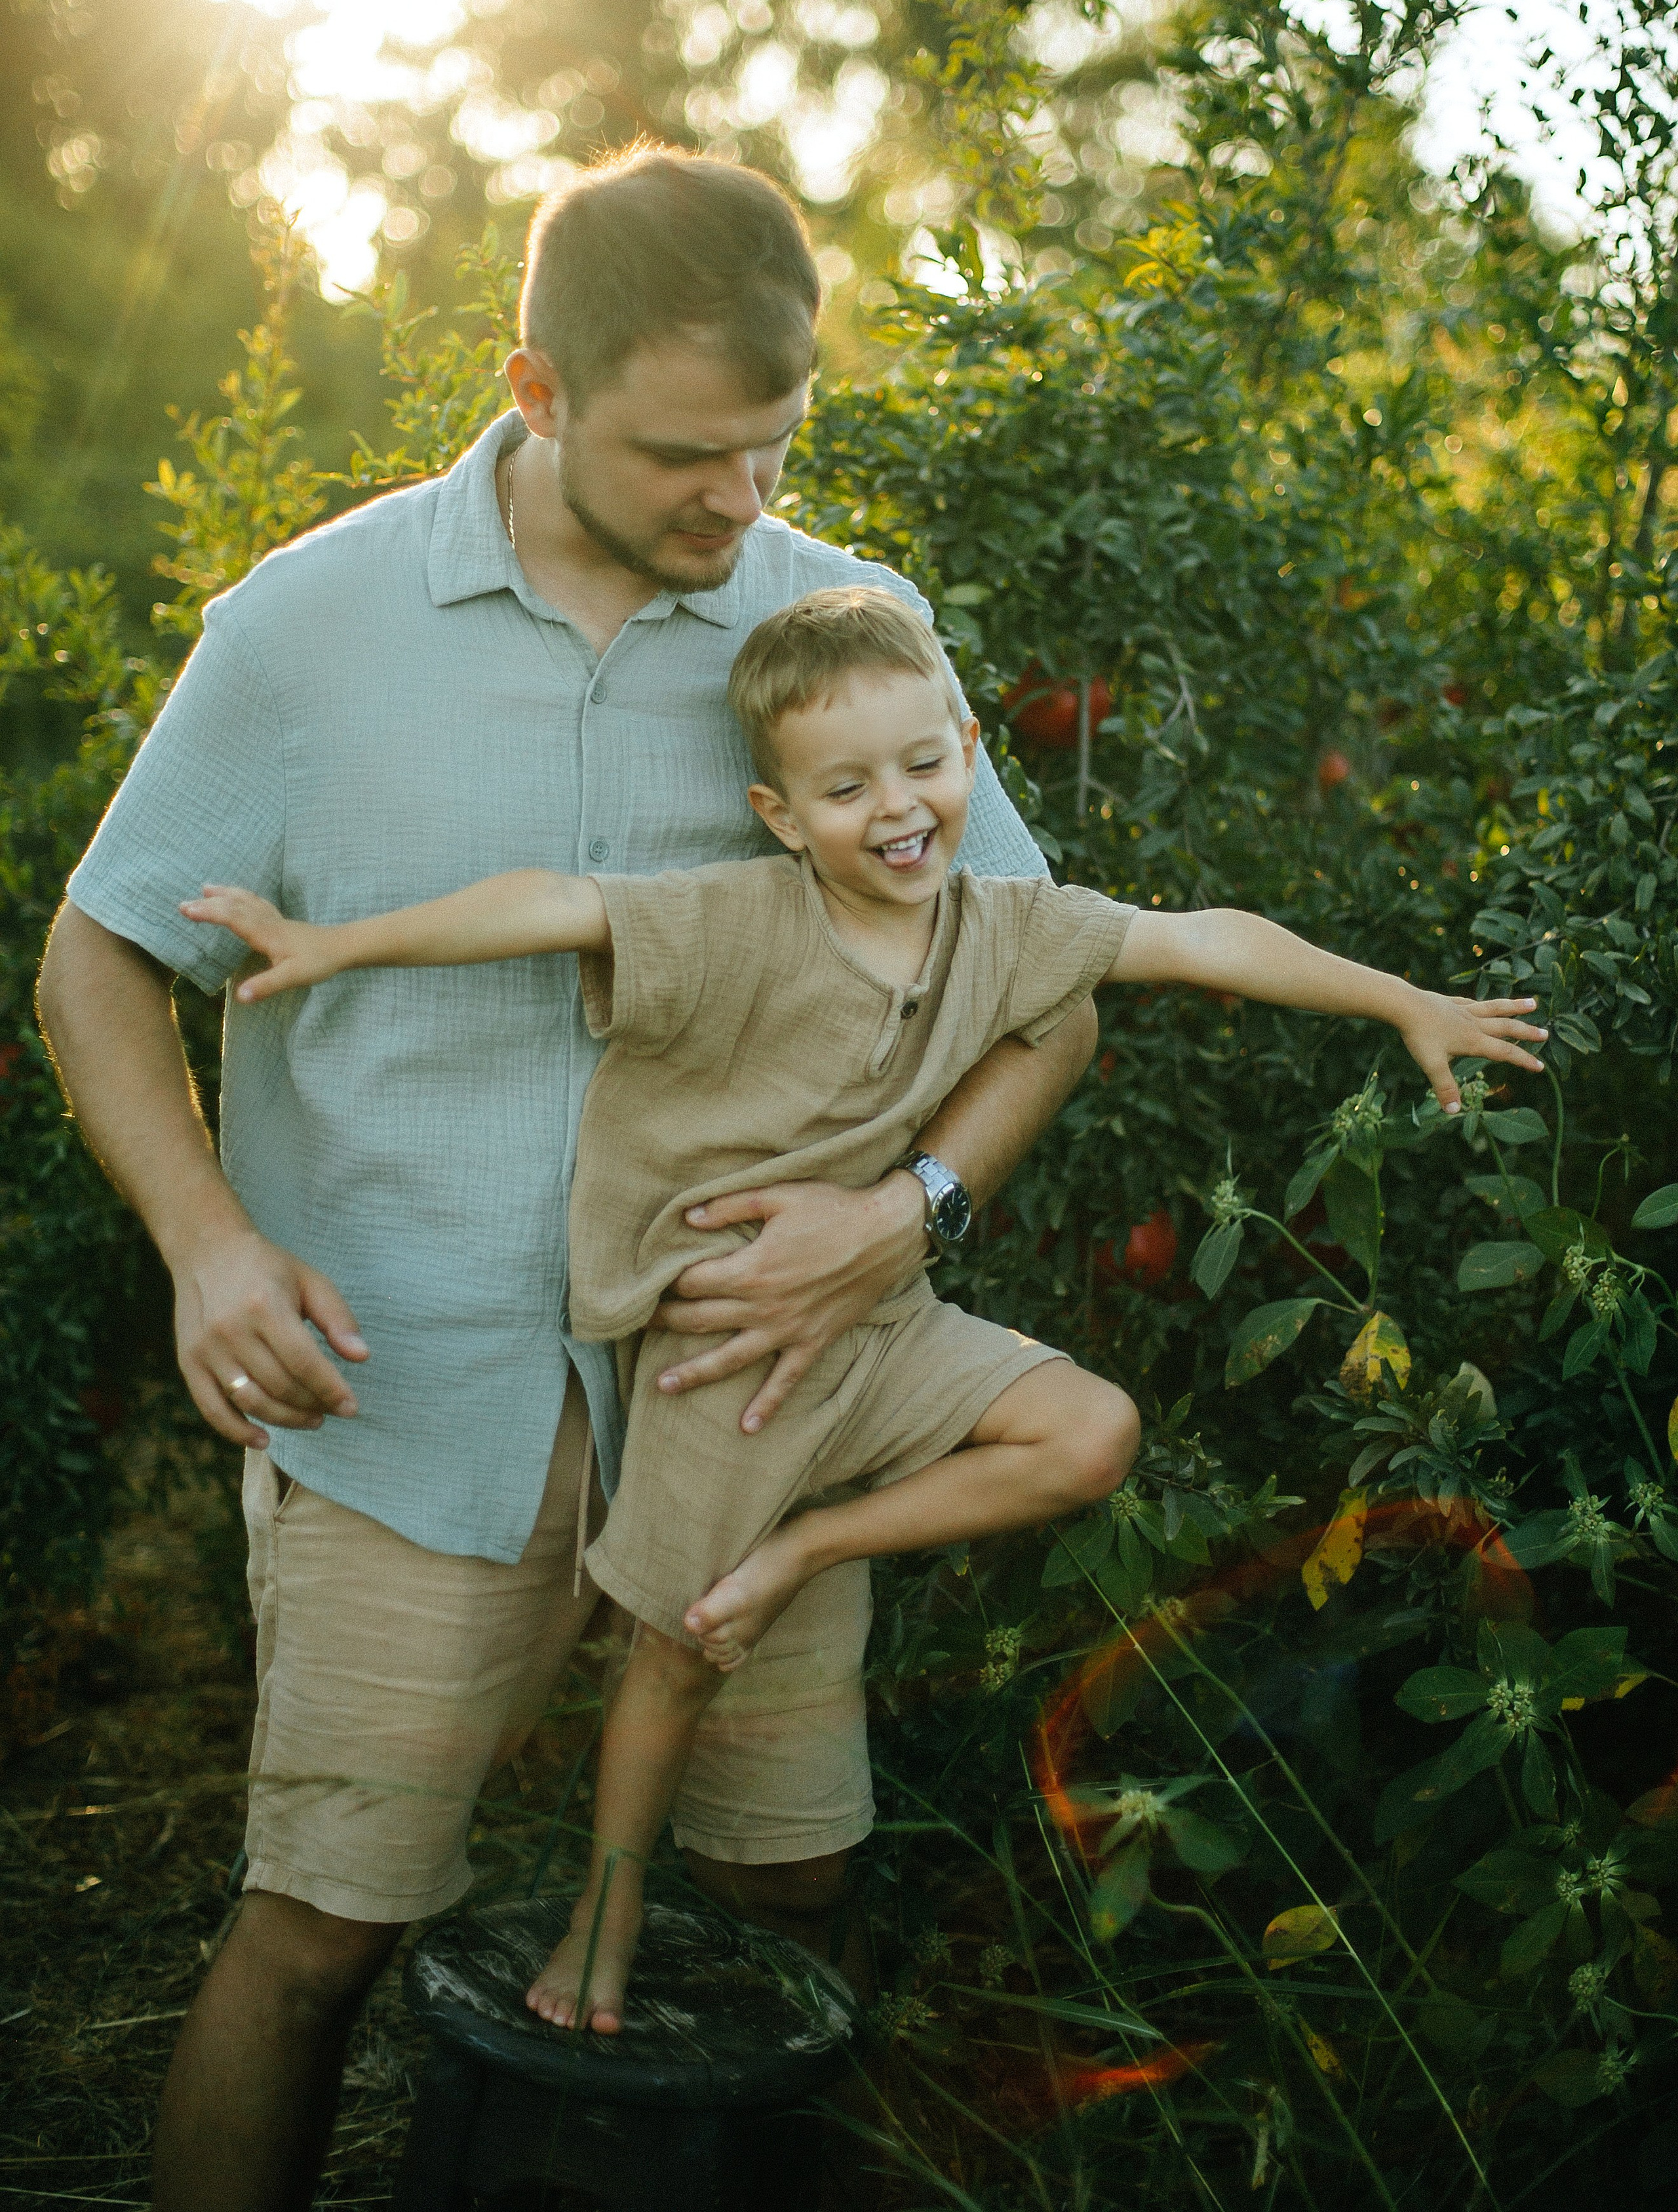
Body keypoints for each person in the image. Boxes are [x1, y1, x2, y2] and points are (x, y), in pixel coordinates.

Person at [32, 150, 1097, 2212]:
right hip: (407, 1395)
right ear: (537, 390)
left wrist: (905, 1219)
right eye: (686, 454)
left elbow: (1042, 990)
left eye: (778, 443)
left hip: (759, 1396)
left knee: (790, 1908)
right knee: (316, 1936)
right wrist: (209, 1243)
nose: (740, 500)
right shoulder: (309, 629)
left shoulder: (840, 626)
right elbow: (98, 955)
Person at [181, 582, 1548, 2035]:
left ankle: (807, 1546)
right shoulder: (742, 923)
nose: (896, 809)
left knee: (1091, 1433)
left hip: (882, 1320)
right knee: (679, 1649)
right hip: (730, 1344)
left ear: (969, 752)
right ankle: (606, 1916)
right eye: (845, 790)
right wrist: (335, 946)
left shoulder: (1008, 928)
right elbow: (552, 905)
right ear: (779, 816)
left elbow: (1208, 938)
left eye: (922, 765)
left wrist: (1404, 1001)